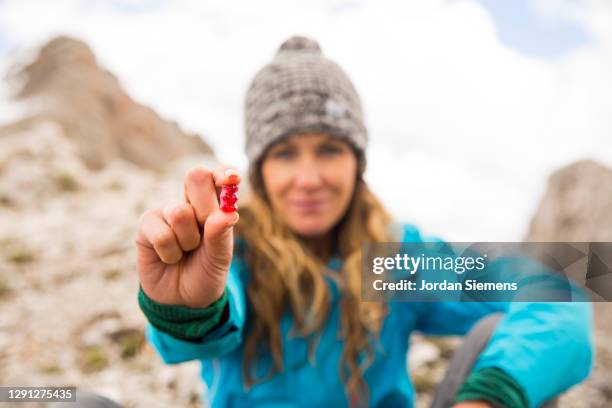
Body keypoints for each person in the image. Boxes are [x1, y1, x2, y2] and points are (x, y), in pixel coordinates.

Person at [133, 36, 594, 408]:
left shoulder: (398, 260)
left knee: (497, 337)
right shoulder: (233, 252)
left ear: (357, 164)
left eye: (330, 149)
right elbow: (185, 344)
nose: (308, 178)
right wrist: (191, 310)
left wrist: (492, 396)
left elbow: (558, 289)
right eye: (286, 153)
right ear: (260, 171)